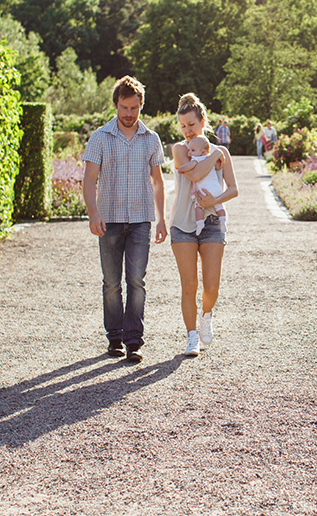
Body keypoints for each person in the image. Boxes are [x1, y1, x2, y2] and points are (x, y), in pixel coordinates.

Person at [82, 76, 167, 363]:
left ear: (142, 105)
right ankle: (114, 338)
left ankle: (134, 342)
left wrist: (162, 219)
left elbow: (157, 182)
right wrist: (93, 214)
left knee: (136, 281)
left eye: (134, 108)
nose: (129, 114)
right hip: (109, 220)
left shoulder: (151, 139)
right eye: (124, 107)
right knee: (111, 283)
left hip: (141, 220)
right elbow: (89, 179)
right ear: (116, 105)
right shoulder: (100, 137)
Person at [170, 93, 238, 357]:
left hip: (211, 223)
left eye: (191, 125)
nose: (187, 131)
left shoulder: (224, 154)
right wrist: (216, 152)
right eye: (183, 126)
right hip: (182, 223)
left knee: (211, 286)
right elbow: (196, 173)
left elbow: (233, 189)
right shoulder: (179, 150)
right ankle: (191, 337)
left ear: (203, 122)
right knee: (189, 285)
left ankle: (206, 316)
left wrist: (216, 199)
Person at [177, 134, 228, 235]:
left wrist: (181, 169)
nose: (189, 153)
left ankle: (200, 224)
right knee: (219, 206)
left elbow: (189, 166)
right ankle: (223, 221)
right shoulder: (210, 158)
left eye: (192, 150)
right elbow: (218, 166)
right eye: (189, 150)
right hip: (216, 189)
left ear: (203, 152)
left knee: (198, 207)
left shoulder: (197, 159)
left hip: (204, 190)